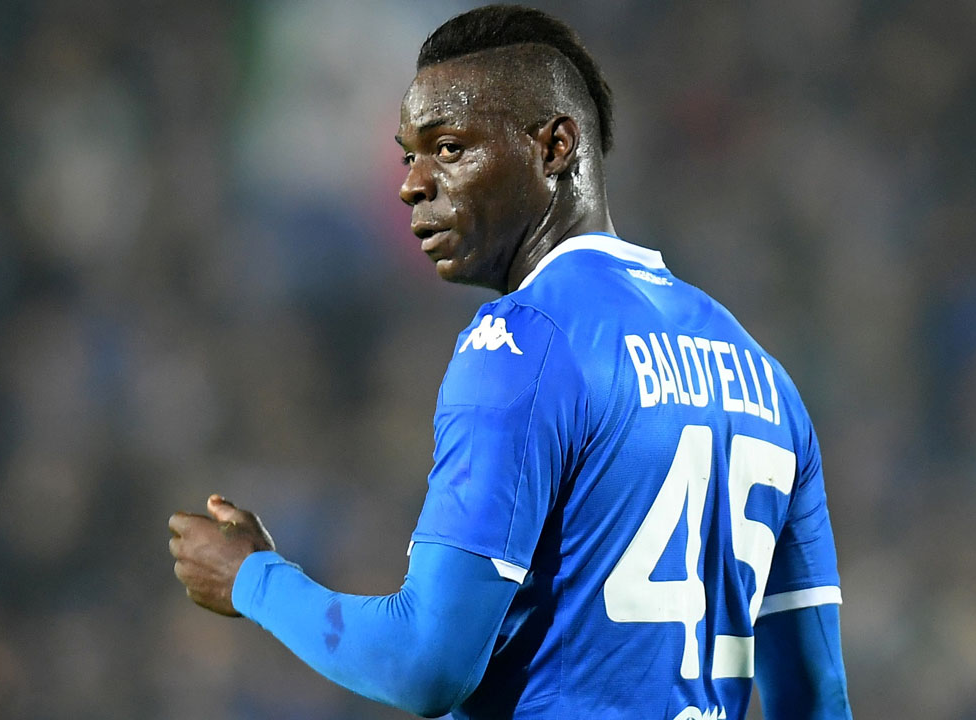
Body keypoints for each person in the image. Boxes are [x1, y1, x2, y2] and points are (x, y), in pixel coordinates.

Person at [168, 5, 853, 719]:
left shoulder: (523, 341)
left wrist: (252, 579)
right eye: (409, 156)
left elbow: (427, 663)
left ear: (554, 147)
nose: (412, 184)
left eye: (449, 148)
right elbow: (819, 701)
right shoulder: (766, 379)